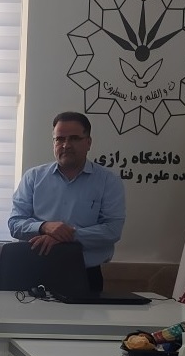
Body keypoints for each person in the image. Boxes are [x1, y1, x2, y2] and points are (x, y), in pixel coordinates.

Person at [8, 111, 126, 291]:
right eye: (59, 139)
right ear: (53, 142)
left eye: (74, 138)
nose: (66, 145)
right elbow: (15, 224)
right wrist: (45, 227)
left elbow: (112, 230)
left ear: (88, 142)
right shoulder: (33, 177)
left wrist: (66, 236)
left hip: (84, 275)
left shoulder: (108, 181)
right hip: (34, 270)